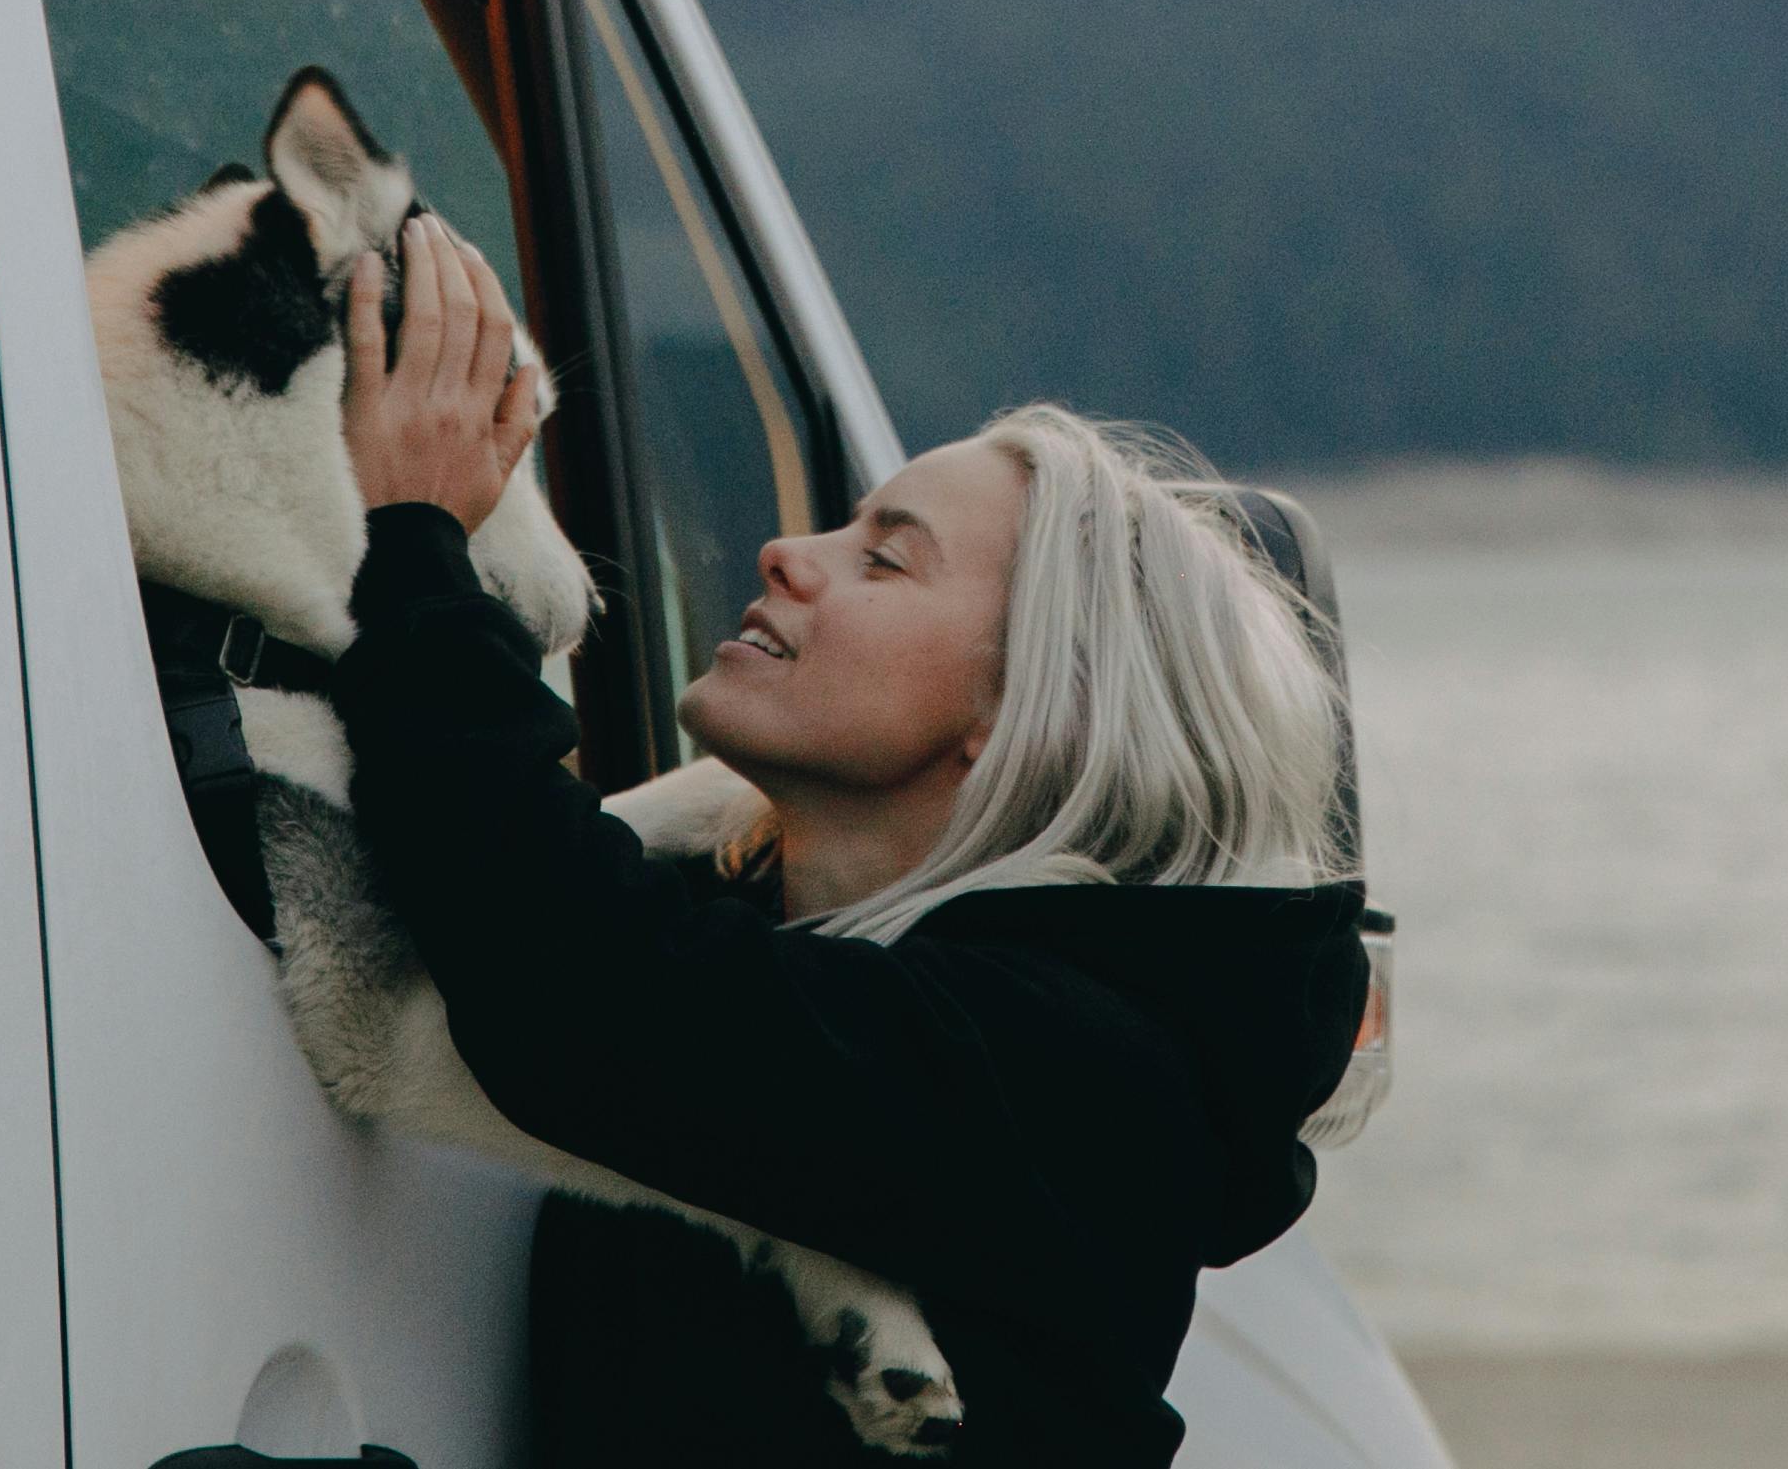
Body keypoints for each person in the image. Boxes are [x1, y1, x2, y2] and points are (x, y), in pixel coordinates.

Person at [332, 214, 1372, 1467]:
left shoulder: (1069, 1075)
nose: (788, 552)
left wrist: (416, 540)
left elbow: (587, 984)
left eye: (884, 559)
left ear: (1027, 712)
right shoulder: (824, 967)